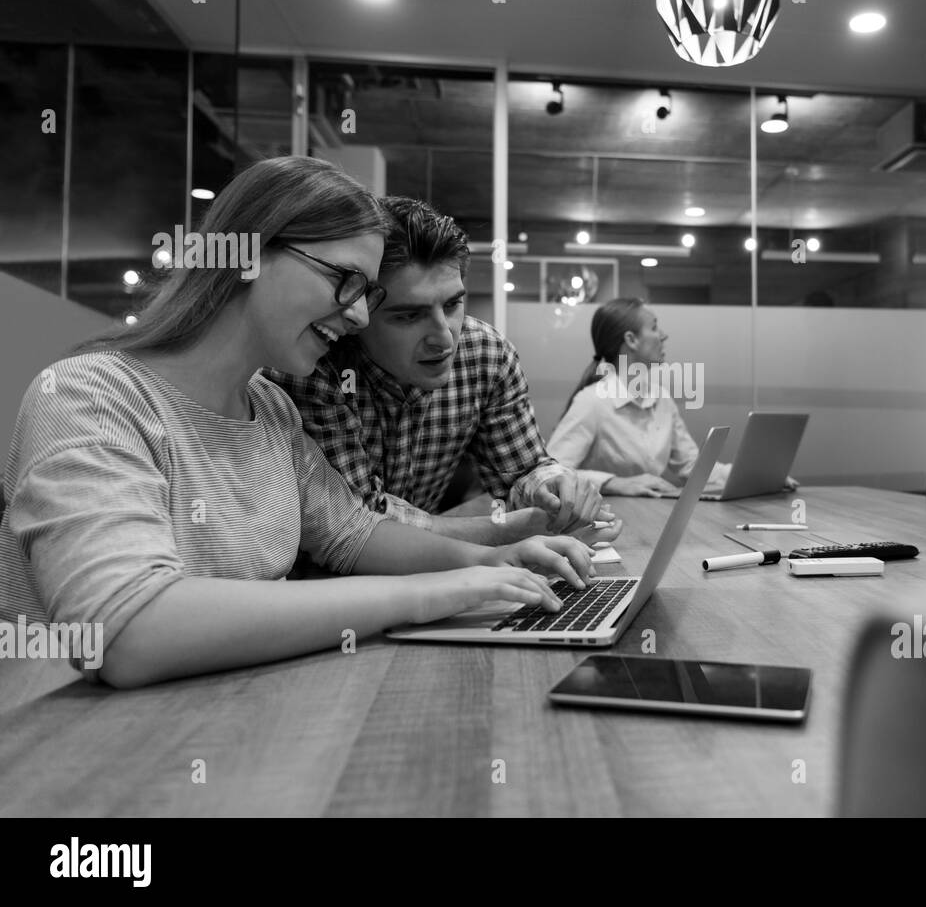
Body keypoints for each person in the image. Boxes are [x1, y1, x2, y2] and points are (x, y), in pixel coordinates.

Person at [0, 156, 591, 688]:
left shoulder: (271, 408)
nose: (360, 315)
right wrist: (427, 592)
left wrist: (491, 562)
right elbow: (125, 633)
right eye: (347, 282)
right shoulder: (89, 394)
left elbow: (354, 534)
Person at [264, 197, 614, 546]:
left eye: (452, 304)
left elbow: (521, 471)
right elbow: (359, 522)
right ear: (358, 314)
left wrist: (552, 488)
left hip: (433, 571)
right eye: (408, 316)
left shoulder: (484, 355)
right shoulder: (316, 364)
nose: (444, 337)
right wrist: (513, 530)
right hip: (319, 583)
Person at [548, 298, 743, 496]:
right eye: (654, 327)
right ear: (631, 339)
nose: (663, 335)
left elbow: (692, 466)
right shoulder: (592, 402)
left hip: (652, 517)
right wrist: (613, 483)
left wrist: (750, 474)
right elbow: (552, 473)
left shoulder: (662, 399)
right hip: (606, 519)